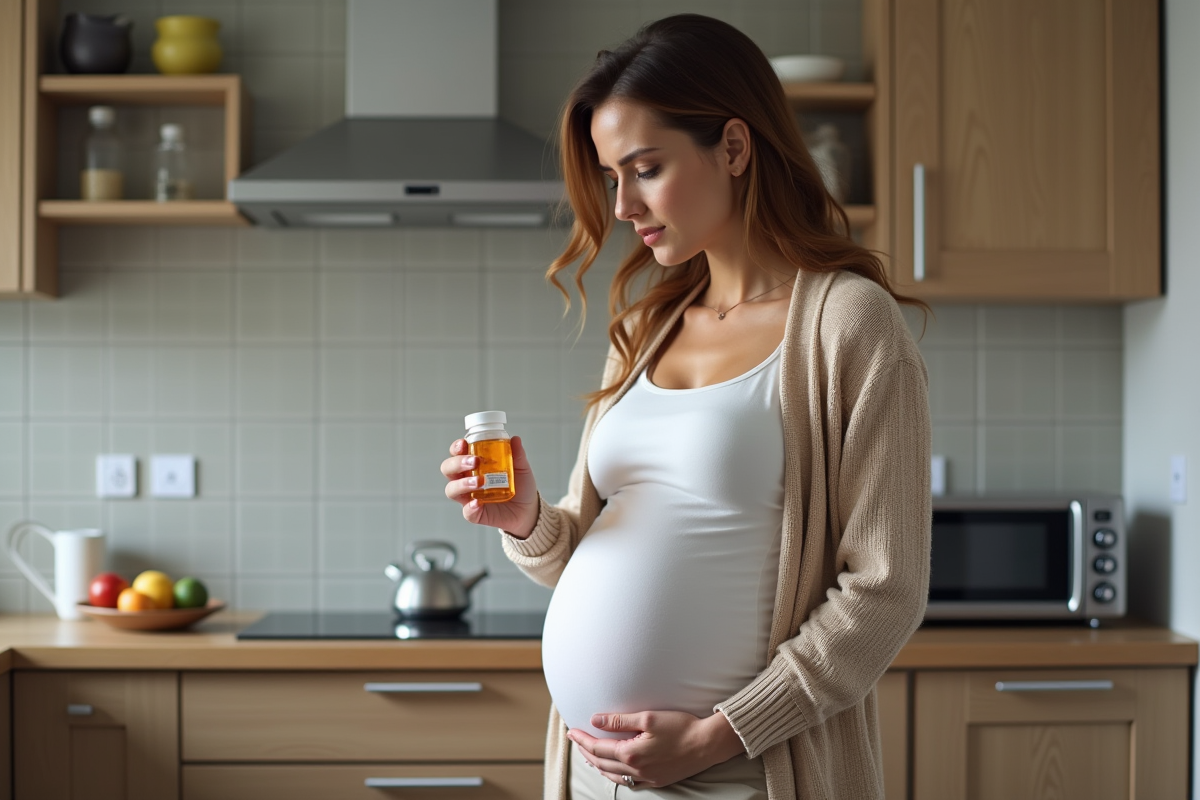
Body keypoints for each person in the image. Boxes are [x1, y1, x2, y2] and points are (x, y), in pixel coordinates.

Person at [441, 14, 932, 800]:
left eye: (645, 169)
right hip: (595, 774)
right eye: (613, 177)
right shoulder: (645, 328)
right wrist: (528, 519)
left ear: (733, 147)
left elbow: (885, 590)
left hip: (745, 771)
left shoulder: (848, 323)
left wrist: (722, 733)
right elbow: (585, 551)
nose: (623, 205)